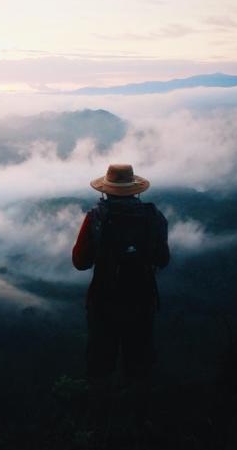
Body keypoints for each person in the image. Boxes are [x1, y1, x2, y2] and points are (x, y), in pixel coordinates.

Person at [72, 163, 170, 435]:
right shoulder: (153, 218)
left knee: (100, 369)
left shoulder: (96, 218)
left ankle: (98, 431)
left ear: (106, 191)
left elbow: (80, 262)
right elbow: (163, 259)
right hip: (141, 303)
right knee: (139, 368)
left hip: (103, 305)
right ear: (135, 190)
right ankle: (139, 428)